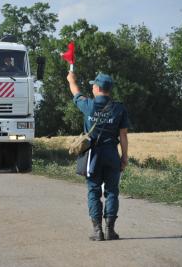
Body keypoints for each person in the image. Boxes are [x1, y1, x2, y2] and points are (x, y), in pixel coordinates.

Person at [66, 71, 129, 241]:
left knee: (94, 191)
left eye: (93, 85)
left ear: (97, 88)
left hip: (92, 156)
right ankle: (110, 230)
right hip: (111, 154)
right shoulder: (119, 108)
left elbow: (75, 92)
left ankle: (97, 231)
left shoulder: (88, 105)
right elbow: (123, 135)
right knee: (112, 192)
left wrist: (71, 79)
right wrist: (124, 157)